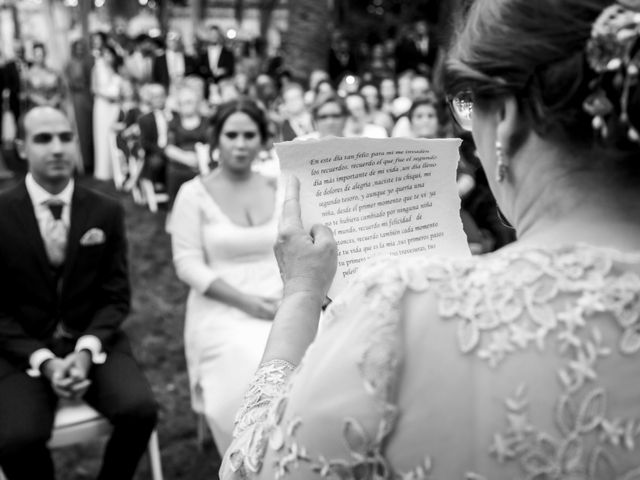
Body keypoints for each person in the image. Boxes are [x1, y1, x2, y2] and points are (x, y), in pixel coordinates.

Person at [222, 0, 640, 478]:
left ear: (503, 116)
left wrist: (300, 294)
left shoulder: (403, 309)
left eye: (468, 105)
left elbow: (250, 469)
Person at [0, 106, 158, 480]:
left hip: (93, 338)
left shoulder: (105, 211)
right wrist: (44, 360)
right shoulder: (1, 215)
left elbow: (116, 295)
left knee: (140, 411)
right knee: (16, 439)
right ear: (21, 148)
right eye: (43, 139)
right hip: (22, 346)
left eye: (65, 137)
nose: (57, 148)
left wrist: (87, 350)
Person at [168, 98, 283, 454]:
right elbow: (187, 264)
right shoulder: (193, 194)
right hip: (223, 304)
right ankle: (252, 458)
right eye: (231, 134)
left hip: (282, 298)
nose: (240, 143)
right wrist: (247, 303)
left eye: (250, 134)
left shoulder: (279, 187)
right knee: (250, 362)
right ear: (215, 139)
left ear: (263, 140)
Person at [164, 85, 209, 207]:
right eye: (183, 102)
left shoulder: (206, 121)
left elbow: (212, 143)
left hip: (204, 165)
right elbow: (169, 148)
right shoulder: (174, 123)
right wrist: (186, 159)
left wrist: (200, 159)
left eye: (190, 101)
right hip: (179, 166)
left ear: (197, 103)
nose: (187, 105)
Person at [92, 45, 122, 180]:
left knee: (115, 136)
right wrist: (108, 97)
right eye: (105, 54)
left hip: (115, 107)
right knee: (102, 136)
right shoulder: (97, 69)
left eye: (110, 54)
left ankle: (116, 169)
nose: (108, 57)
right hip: (103, 106)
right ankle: (103, 170)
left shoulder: (117, 70)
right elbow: (94, 88)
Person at [65, 39, 94, 173]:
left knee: (90, 129)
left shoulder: (89, 62)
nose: (80, 50)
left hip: (89, 97)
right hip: (78, 99)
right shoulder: (70, 64)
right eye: (78, 48)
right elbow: (68, 83)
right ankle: (84, 162)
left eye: (82, 47)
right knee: (81, 130)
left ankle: (92, 159)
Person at [24, 43, 64, 110]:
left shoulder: (53, 72)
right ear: (33, 56)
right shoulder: (29, 74)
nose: (40, 58)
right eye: (38, 55)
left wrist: (54, 101)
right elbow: (28, 93)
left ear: (45, 54)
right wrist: (41, 101)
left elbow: (61, 91)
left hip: (54, 108)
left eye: (42, 55)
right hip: (37, 110)